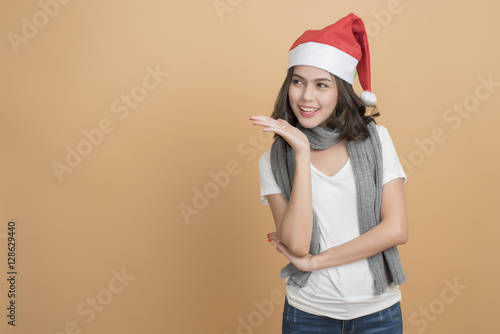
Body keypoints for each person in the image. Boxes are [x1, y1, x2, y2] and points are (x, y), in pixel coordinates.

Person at [249, 13, 408, 333]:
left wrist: (317, 263)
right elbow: (297, 246)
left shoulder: (377, 141)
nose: (306, 96)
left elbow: (396, 229)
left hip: (378, 314)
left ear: (341, 92)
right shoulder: (274, 160)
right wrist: (302, 153)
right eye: (298, 81)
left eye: (321, 85)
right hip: (307, 315)